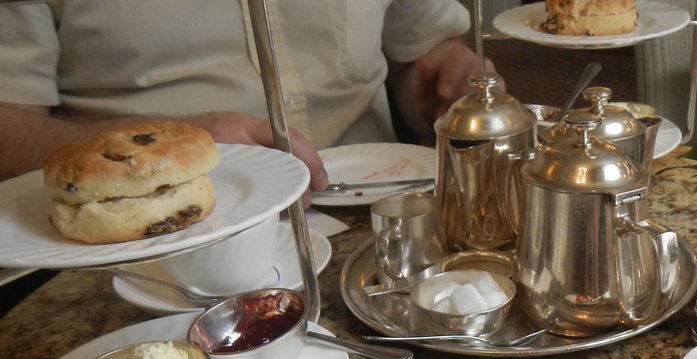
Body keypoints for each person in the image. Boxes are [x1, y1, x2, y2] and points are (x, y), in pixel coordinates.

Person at [0, 0, 497, 193]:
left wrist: (445, 76)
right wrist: (165, 146)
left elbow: (420, 52)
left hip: (377, 211)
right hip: (143, 257)